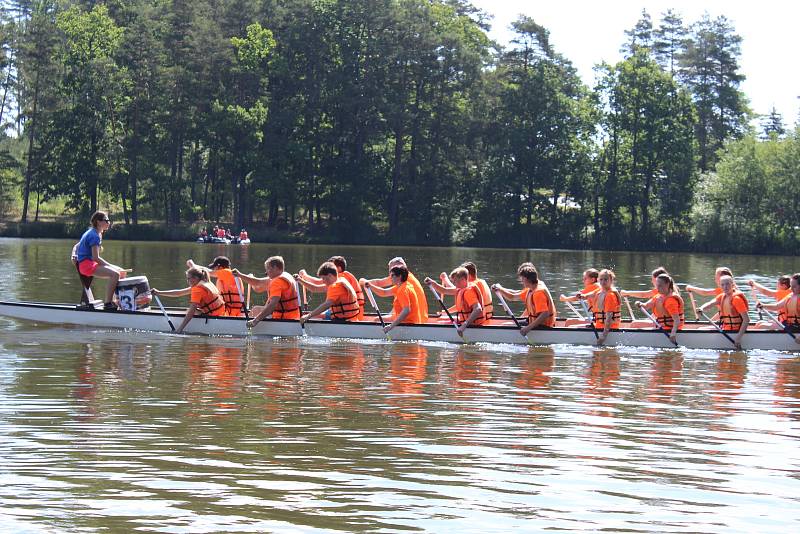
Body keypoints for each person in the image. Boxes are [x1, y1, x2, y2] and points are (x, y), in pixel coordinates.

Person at [71, 210, 129, 310]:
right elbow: (95, 258)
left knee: (122, 272)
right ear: (98, 222)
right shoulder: (94, 235)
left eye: (109, 220)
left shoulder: (95, 232)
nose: (108, 223)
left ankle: (116, 301)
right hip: (87, 265)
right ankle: (108, 303)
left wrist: (74, 254)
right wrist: (110, 266)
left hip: (89, 263)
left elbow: (78, 245)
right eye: (106, 220)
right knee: (115, 274)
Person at [152, 267, 226, 333]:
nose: (187, 281)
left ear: (196, 278)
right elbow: (179, 293)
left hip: (212, 316)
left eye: (188, 278)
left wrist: (180, 329)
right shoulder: (206, 283)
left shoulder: (198, 289)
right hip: (220, 314)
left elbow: (191, 311)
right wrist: (159, 292)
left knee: (188, 311)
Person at [234, 256, 301, 327]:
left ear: (275, 268)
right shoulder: (286, 276)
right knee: (256, 309)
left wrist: (255, 320)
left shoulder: (277, 282)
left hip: (283, 318)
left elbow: (273, 305)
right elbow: (258, 282)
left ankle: (240, 326)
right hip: (294, 316)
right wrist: (239, 275)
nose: (266, 272)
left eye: (268, 269)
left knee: (256, 311)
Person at [492, 262, 556, 336]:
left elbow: (545, 314)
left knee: (506, 326)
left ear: (526, 279)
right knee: (506, 324)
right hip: (534, 322)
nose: (521, 281)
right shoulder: (533, 287)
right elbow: (513, 295)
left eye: (522, 279)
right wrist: (500, 289)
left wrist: (528, 328)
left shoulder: (538, 293)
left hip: (543, 326)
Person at [360, 257, 428, 322]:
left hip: (412, 320)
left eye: (392, 271)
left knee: (376, 320)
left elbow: (379, 283)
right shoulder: (404, 279)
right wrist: (369, 284)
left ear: (400, 269)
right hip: (421, 317)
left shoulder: (401, 282)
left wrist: (362, 281)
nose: (390, 275)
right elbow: (384, 292)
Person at [299, 256, 365, 320]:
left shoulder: (336, 285)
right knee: (319, 314)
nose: (323, 281)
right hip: (351, 317)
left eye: (323, 278)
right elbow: (314, 288)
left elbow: (326, 304)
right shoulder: (341, 280)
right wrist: (300, 280)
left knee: (316, 316)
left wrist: (308, 316)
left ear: (330, 275)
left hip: (344, 320)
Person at [425, 267, 485, 334]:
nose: (453, 284)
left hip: (472, 325)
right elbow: (444, 290)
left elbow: (478, 309)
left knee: (440, 323)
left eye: (455, 281)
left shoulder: (468, 293)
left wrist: (464, 325)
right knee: (439, 322)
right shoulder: (460, 289)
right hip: (465, 322)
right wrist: (433, 283)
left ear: (462, 280)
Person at [364, 265, 422, 333]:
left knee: (376, 320)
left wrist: (391, 326)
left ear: (399, 276)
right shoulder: (403, 285)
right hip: (407, 321)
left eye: (392, 275)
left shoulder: (403, 290)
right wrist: (371, 286)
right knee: (376, 319)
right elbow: (384, 292)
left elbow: (406, 310)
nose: (390, 278)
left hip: (408, 323)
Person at [697, 275, 749, 349]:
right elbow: (710, 303)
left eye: (727, 284)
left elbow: (746, 320)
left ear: (732, 284)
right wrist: (701, 308)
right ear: (720, 286)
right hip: (726, 329)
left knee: (701, 330)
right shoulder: (721, 296)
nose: (725, 287)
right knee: (700, 329)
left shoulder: (736, 299)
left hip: (735, 331)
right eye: (723, 285)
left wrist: (738, 338)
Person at [636, 273, 685, 345]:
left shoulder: (670, 301)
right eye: (657, 286)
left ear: (667, 284)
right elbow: (646, 306)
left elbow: (677, 320)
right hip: (662, 329)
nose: (657, 288)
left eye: (660, 286)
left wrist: (673, 334)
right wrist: (640, 304)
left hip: (669, 331)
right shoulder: (658, 297)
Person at [756, 273, 800, 343]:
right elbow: (776, 306)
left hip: (797, 329)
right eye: (791, 286)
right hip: (790, 326)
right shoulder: (790, 296)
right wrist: (763, 305)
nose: (791, 289)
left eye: (794, 286)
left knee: (762, 326)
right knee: (760, 324)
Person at [589, 269, 622, 345]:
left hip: (608, 329)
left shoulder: (610, 295)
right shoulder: (600, 291)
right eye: (601, 279)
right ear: (598, 280)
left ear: (611, 280)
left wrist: (603, 336)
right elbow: (590, 294)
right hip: (599, 325)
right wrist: (582, 296)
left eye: (606, 279)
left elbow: (609, 318)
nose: (603, 282)